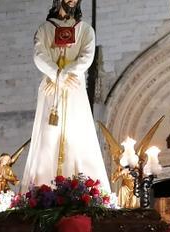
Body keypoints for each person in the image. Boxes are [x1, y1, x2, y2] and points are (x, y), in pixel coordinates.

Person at [19, 0, 110, 192]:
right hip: (51, 89)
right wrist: (57, 74)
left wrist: (64, 75)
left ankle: (79, 186)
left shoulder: (85, 30)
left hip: (73, 87)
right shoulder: (44, 29)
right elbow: (39, 55)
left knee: (77, 134)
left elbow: (86, 57)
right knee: (48, 137)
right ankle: (43, 187)